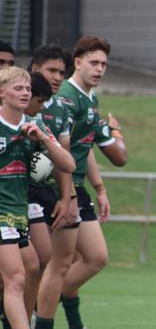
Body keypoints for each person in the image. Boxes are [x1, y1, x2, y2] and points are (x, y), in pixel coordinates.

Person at [37, 36, 127, 329]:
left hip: (77, 186)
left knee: (89, 258)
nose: (100, 69)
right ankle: (39, 310)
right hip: (59, 187)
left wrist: (100, 188)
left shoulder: (90, 97)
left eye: (104, 64)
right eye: (94, 62)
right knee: (63, 263)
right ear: (77, 63)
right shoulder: (65, 97)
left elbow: (84, 148)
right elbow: (59, 151)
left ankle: (45, 306)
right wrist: (68, 195)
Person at [0, 67, 75, 329]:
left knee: (30, 268)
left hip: (18, 212)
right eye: (18, 88)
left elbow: (69, 164)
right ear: (2, 92)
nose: (25, 93)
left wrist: (43, 139)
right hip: (1, 215)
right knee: (16, 278)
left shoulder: (36, 125)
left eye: (28, 89)